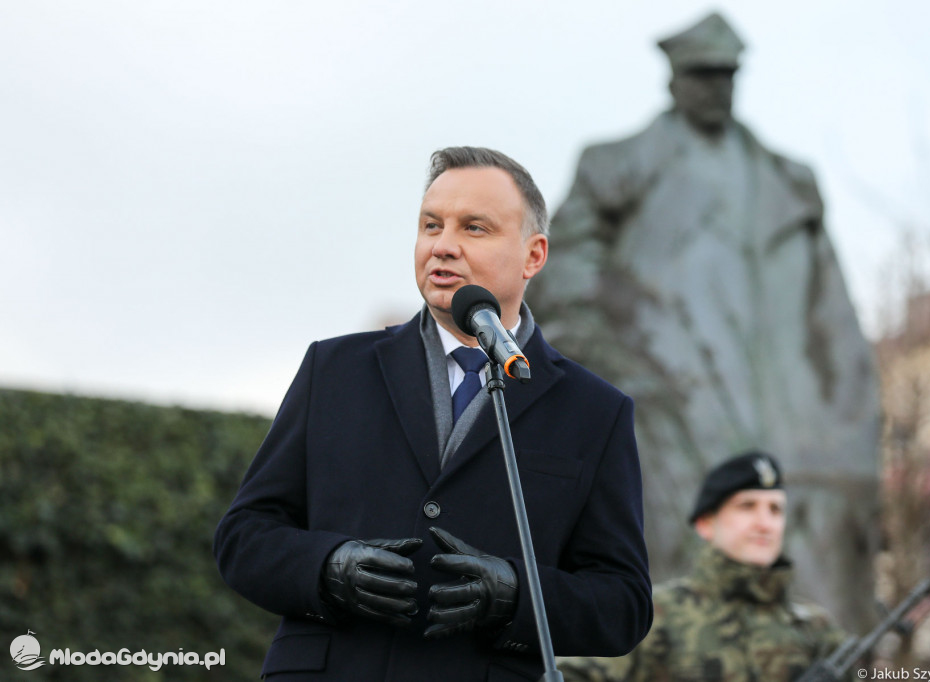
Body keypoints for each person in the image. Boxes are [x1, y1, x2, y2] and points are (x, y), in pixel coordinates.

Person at [214, 146, 652, 681]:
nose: (442, 246)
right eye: (431, 225)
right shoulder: (333, 368)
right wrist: (327, 569)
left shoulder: (595, 412)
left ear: (533, 255)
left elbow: (624, 603)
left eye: (474, 228)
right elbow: (244, 537)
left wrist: (516, 595)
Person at [528, 11, 879, 629]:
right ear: (674, 80)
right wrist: (632, 377)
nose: (717, 87)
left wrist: (848, 436)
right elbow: (564, 288)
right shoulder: (616, 167)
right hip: (668, 412)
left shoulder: (788, 181)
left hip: (787, 419)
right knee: (673, 598)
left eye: (727, 75)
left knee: (811, 612)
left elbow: (835, 325)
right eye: (703, 74)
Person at [558, 451, 849, 682]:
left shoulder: (816, 629)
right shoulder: (654, 615)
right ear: (705, 523)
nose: (765, 524)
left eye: (775, 509)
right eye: (747, 506)